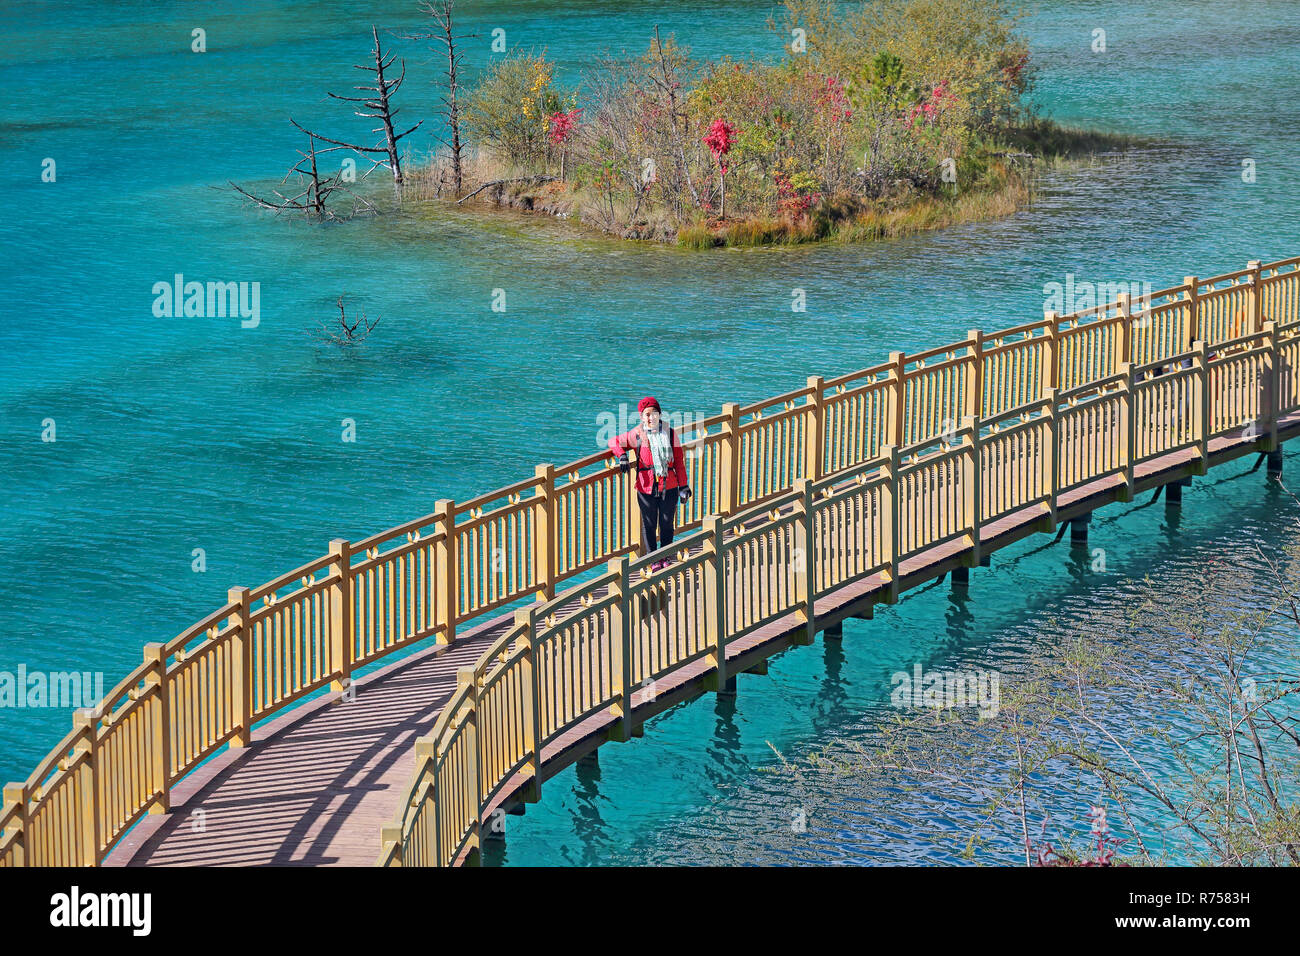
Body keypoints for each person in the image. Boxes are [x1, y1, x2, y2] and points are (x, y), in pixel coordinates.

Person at [609, 396, 692, 569]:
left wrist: (684, 486)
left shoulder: (670, 433)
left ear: (659, 415)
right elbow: (613, 441)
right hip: (645, 487)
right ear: (641, 417)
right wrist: (622, 455)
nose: (650, 418)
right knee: (649, 524)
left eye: (654, 413)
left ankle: (665, 557)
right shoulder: (637, 434)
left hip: (669, 486)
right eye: (647, 414)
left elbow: (678, 462)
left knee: (667, 523)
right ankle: (653, 560)